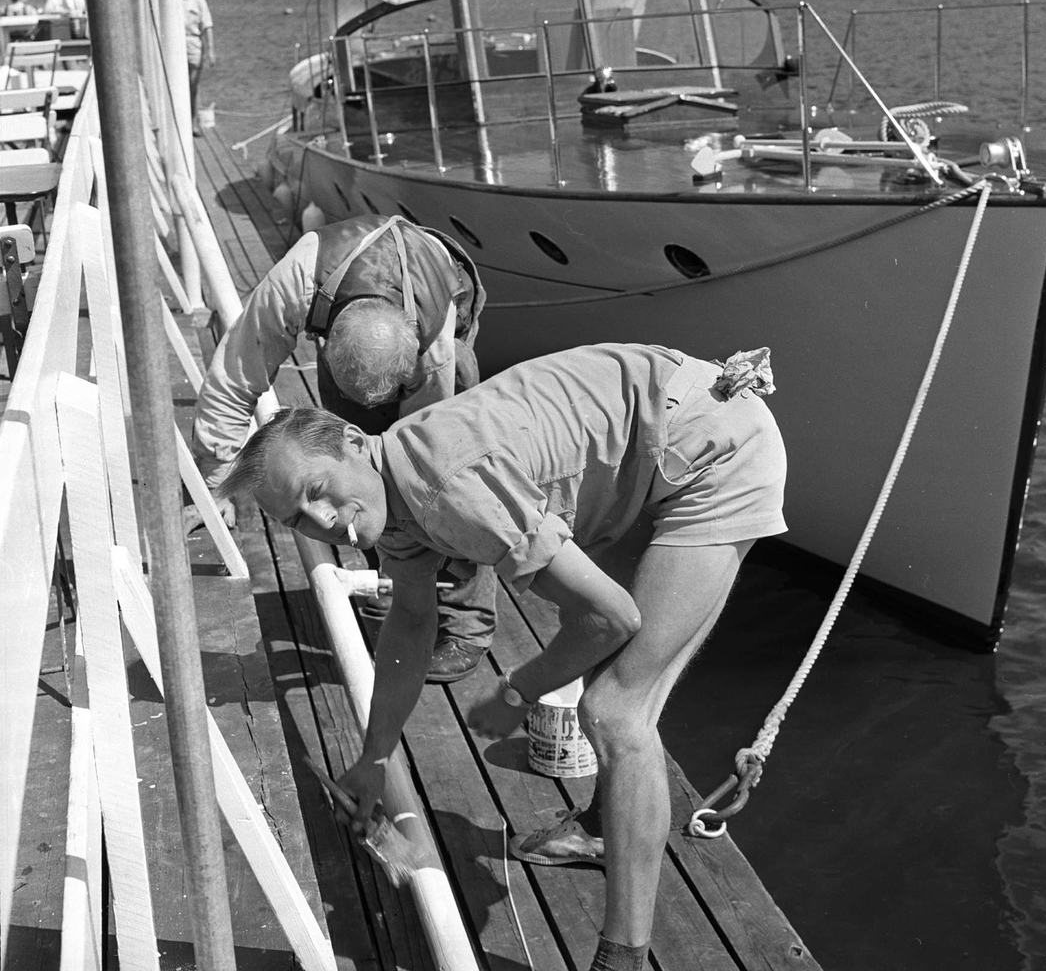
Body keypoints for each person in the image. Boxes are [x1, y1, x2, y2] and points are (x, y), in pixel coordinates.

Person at [216, 342, 786, 971]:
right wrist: (374, 758)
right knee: (609, 660)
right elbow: (410, 621)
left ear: (354, 442)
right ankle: (602, 827)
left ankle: (621, 959)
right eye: (299, 520)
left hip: (712, 447)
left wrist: (518, 690)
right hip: (653, 442)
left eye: (318, 490)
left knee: (616, 710)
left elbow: (609, 617)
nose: (323, 520)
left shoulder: (443, 485)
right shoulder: (391, 497)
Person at [191, 212, 495, 682]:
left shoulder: (432, 349)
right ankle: (396, 586)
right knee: (354, 477)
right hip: (353, 321)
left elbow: (433, 462)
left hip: (440, 311)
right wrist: (217, 481)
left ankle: (465, 623)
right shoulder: (298, 281)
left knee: (446, 481)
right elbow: (236, 374)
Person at [181, 0, 215, 130]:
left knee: (192, 85)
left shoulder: (197, 0)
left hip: (193, 44)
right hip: (175, 46)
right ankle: (182, 121)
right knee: (179, 84)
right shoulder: (170, 0)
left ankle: (193, 122)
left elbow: (207, 26)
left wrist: (211, 51)